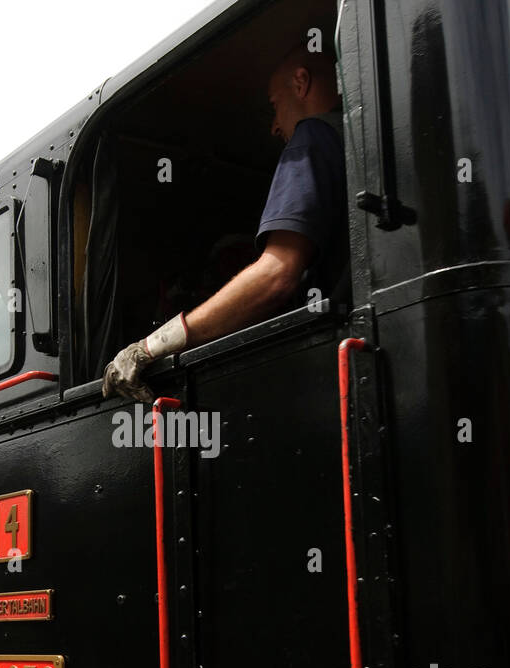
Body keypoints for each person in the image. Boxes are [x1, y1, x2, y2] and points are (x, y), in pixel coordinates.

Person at [102, 45, 348, 403]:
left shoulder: (313, 135)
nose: (274, 125)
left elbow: (276, 274)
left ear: (301, 82)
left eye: (274, 104)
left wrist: (150, 346)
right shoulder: (354, 136)